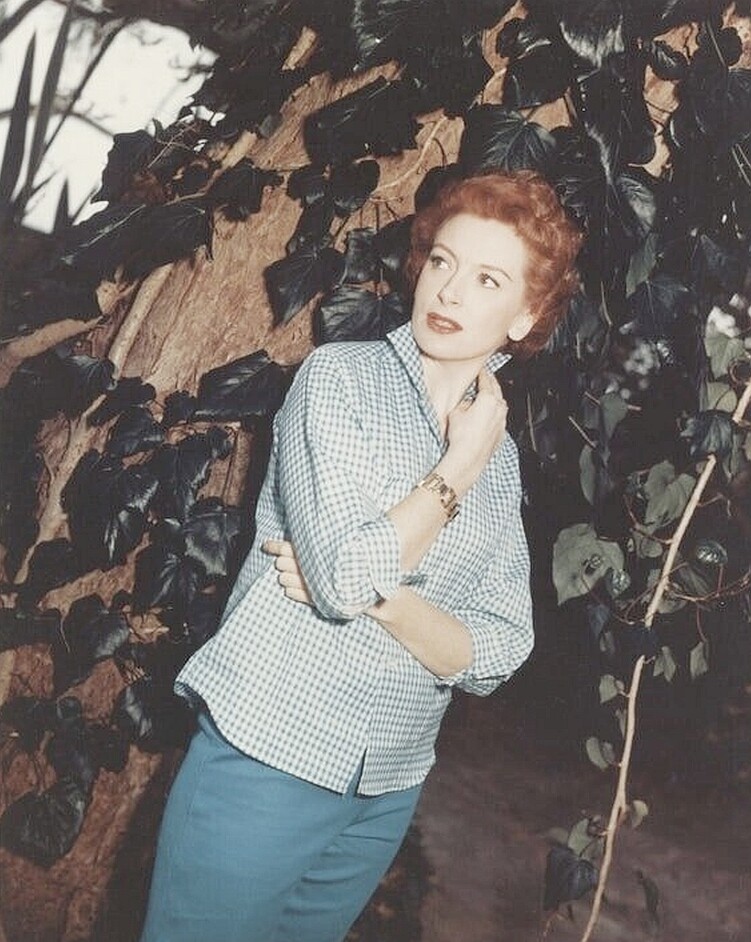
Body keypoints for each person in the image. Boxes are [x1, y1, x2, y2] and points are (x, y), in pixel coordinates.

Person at [139, 169, 581, 942]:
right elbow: (344, 577)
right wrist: (456, 470)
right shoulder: (338, 381)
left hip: (386, 789)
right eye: (441, 261)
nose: (449, 291)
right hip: (268, 759)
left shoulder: (503, 456)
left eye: (486, 279)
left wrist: (387, 599)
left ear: (525, 316)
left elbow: (502, 648)